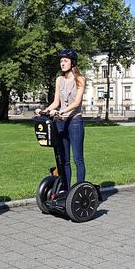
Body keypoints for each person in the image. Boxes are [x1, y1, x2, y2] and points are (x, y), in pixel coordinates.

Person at [35, 49, 86, 188]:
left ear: (72, 62)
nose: (62, 63)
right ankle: (66, 189)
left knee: (78, 159)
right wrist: (44, 111)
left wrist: (61, 111)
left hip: (75, 121)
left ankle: (79, 190)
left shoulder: (80, 79)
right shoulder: (59, 80)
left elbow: (77, 103)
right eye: (61, 61)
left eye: (65, 61)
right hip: (61, 123)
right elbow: (56, 102)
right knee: (64, 159)